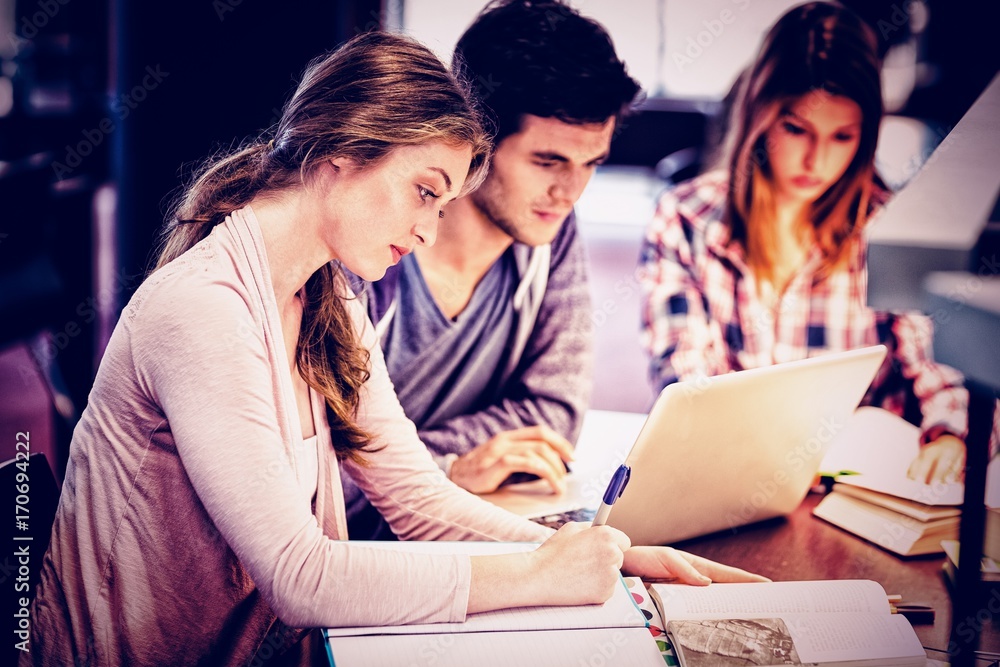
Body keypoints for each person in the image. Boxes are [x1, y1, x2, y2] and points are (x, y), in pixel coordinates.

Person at [24, 31, 764, 667]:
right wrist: (540, 575)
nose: (429, 232)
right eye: (423, 192)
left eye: (444, 206)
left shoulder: (327, 298)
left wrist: (608, 551)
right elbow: (300, 577)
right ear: (340, 155)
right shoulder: (203, 309)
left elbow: (415, 497)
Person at [637, 1, 987, 486]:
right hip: (734, 481)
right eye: (796, 129)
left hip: (861, 493)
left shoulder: (886, 225)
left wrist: (950, 436)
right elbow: (685, 384)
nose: (816, 160)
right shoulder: (685, 217)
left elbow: (939, 370)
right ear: (760, 116)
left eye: (842, 137)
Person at [343, 0, 642, 539]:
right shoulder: (368, 249)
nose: (569, 192)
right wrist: (450, 468)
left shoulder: (548, 230)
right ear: (476, 137)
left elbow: (553, 419)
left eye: (590, 164)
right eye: (547, 161)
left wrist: (417, 461)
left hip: (453, 536)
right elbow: (317, 471)